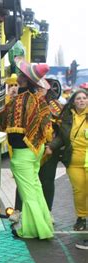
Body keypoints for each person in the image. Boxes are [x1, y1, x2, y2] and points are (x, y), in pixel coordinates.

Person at [0, 57, 54, 239]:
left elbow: (5, 125)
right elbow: (47, 128)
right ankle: (44, 224)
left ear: (23, 79)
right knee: (36, 189)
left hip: (22, 153)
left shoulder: (19, 101)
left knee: (28, 193)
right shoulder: (39, 100)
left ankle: (34, 230)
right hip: (36, 150)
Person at [48, 90, 87, 231]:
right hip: (74, 161)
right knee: (79, 191)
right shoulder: (68, 116)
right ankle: (81, 218)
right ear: (73, 101)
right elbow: (61, 137)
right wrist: (51, 147)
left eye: (84, 98)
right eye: (78, 99)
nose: (81, 101)